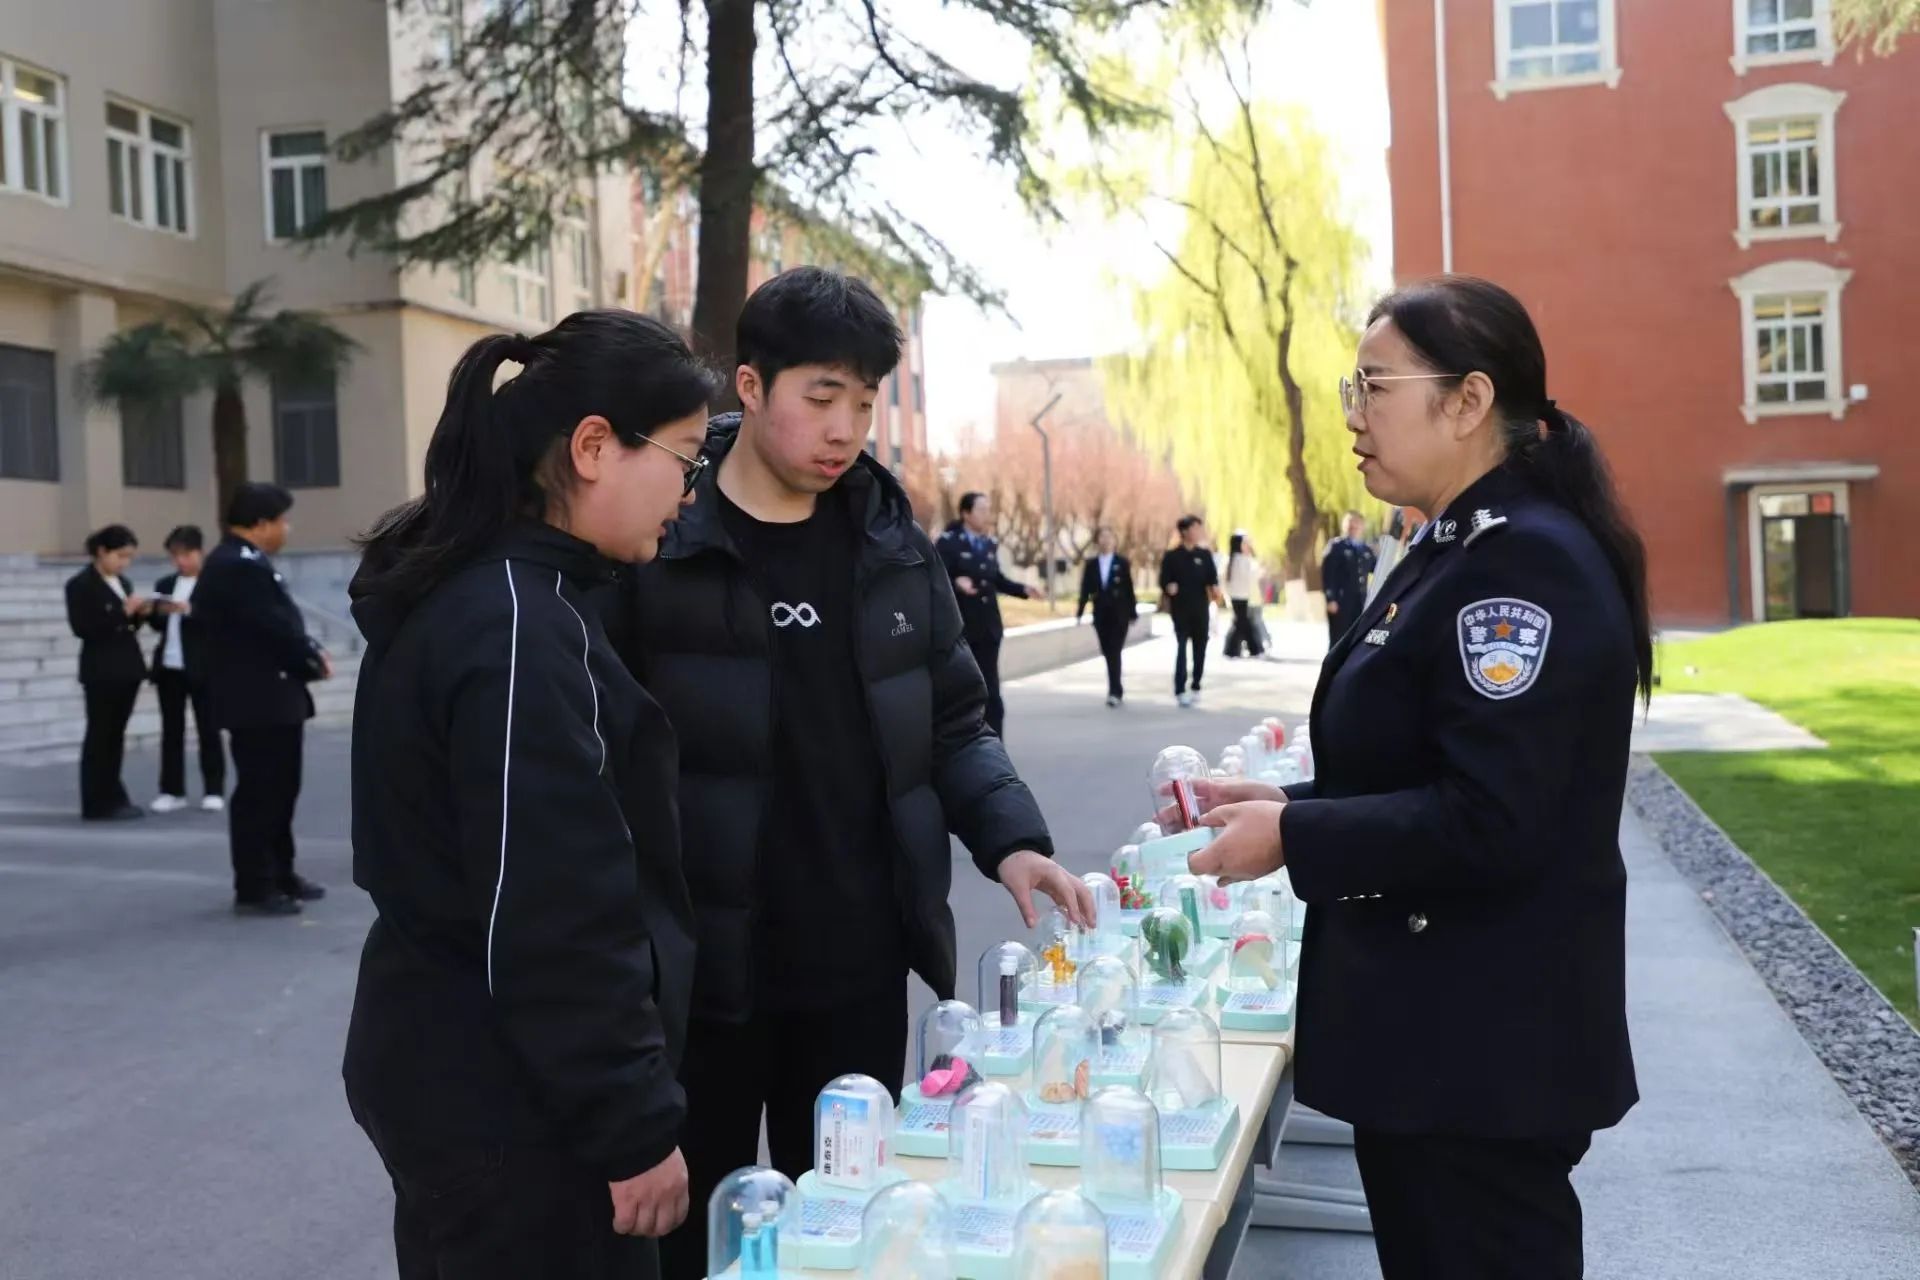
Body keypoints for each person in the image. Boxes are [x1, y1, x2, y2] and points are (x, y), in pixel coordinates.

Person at [605, 266, 1092, 1280]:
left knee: (850, 1234)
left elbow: (953, 720)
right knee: (694, 1245)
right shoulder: (663, 539)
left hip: (856, 965)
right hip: (701, 978)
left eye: (864, 404)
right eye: (821, 397)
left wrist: (1013, 840)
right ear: (750, 385)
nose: (845, 430)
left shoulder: (889, 542)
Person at [1190, 275, 1646, 1280]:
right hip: (1440, 1048)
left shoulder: (1521, 564)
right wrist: (1289, 805)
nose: (1353, 415)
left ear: (1469, 400)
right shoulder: (1458, 543)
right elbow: (1430, 766)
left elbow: (1495, 817)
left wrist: (1296, 838)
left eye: (1375, 386)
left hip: (1480, 1056)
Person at [344, 312, 711, 1280]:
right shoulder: (515, 626)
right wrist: (632, 1123)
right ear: (593, 447)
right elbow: (553, 911)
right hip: (511, 1101)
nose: (688, 493)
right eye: (685, 459)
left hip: (459, 1064)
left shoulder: (488, 592)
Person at [194, 483, 331, 916]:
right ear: (260, 524)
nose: (286, 529)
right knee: (261, 793)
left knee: (280, 789)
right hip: (257, 698)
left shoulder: (245, 561)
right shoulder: (236, 566)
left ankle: (281, 871)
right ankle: (256, 883)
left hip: (271, 696)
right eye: (281, 521)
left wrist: (307, 653)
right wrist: (309, 658)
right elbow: (271, 628)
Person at [65, 524, 150, 820]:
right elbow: (83, 627)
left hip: (126, 666)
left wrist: (139, 615)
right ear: (102, 552)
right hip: (101, 669)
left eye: (129, 557)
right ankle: (96, 800)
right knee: (100, 734)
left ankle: (114, 794)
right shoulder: (80, 585)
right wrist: (120, 613)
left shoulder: (122, 582)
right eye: (120, 556)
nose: (124, 563)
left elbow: (128, 627)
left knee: (116, 735)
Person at [934, 491, 1034, 736]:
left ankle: (995, 743)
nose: (987, 514)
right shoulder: (948, 543)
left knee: (991, 690)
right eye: (981, 509)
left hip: (989, 628)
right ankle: (966, 740)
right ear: (966, 513)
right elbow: (934, 578)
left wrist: (1022, 589)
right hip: (961, 629)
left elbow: (995, 579)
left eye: (988, 509)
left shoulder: (989, 544)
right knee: (966, 689)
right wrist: (956, 582)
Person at [146, 525, 225, 813]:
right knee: (171, 731)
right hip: (170, 666)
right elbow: (157, 624)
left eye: (185, 555)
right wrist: (155, 611)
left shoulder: (213, 583)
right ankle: (171, 790)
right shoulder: (166, 583)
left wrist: (189, 610)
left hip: (204, 667)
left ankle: (213, 789)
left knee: (209, 730)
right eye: (175, 556)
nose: (180, 561)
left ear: (199, 552)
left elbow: (221, 621)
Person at [1158, 514, 1222, 708]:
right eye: (1194, 528)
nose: (1198, 532)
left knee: (1200, 648)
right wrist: (1169, 587)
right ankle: (1179, 689)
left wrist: (1215, 589)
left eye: (1199, 529)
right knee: (1181, 648)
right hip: (1180, 609)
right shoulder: (1172, 556)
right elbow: (1164, 580)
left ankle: (1196, 684)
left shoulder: (1204, 555)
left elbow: (1212, 579)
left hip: (1200, 609)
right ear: (1184, 531)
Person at [1076, 526, 1137, 707]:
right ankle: (1116, 687)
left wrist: (1132, 612)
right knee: (1107, 651)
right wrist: (1080, 611)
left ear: (1114, 541)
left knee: (1114, 650)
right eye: (1102, 537)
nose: (1106, 540)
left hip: (1119, 614)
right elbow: (1085, 589)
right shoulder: (1091, 564)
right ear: (1097, 541)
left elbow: (1129, 588)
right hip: (1101, 614)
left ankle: (1115, 691)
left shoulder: (1122, 562)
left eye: (1109, 537)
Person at [1321, 511, 1377, 646]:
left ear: (1363, 526)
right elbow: (1328, 574)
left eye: (1357, 522)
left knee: (1356, 641)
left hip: (1361, 602)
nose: (1354, 526)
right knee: (1338, 640)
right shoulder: (1336, 546)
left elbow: (1377, 569)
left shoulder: (1366, 550)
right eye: (1350, 522)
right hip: (1341, 602)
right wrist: (1330, 599)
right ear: (1344, 525)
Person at [1221, 531, 1267, 659]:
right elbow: (1253, 576)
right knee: (1243, 622)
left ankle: (1232, 649)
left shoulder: (1230, 560)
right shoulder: (1242, 560)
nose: (1247, 546)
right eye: (1245, 543)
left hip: (1237, 596)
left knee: (1240, 622)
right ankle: (1253, 649)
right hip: (1241, 596)